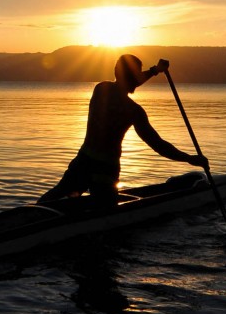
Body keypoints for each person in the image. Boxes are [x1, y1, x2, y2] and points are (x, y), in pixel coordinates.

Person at [39, 54, 208, 206]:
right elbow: (157, 144)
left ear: (115, 72)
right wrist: (189, 158)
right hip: (105, 172)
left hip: (83, 164)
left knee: (47, 203)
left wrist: (155, 70)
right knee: (106, 213)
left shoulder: (101, 89)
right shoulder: (134, 111)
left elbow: (129, 80)